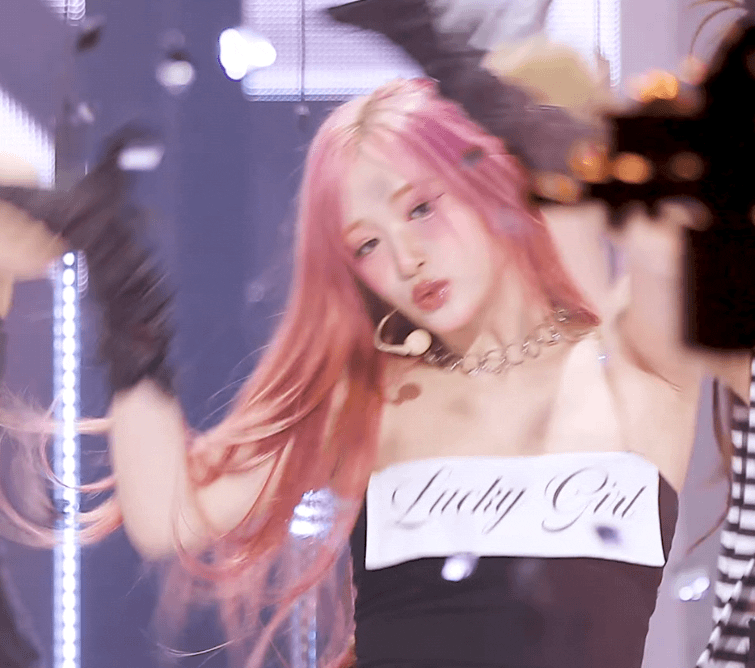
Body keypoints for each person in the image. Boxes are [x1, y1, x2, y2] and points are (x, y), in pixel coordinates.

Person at [0, 15, 753, 668]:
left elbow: (677, 235)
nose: (407, 259)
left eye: (422, 208)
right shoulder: (373, 392)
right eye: (366, 244)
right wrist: (129, 305)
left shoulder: (633, 361)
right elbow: (171, 517)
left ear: (490, 179)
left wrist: (487, 94)